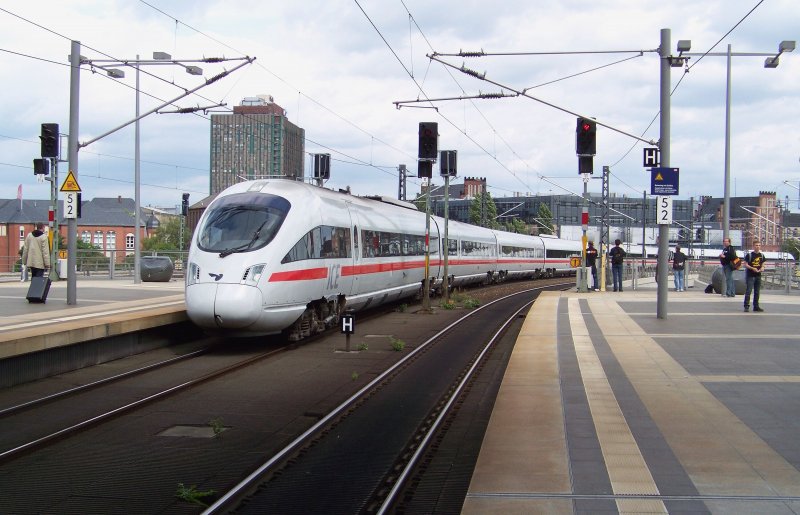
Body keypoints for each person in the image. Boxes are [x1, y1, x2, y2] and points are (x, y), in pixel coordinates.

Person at [743, 239, 765, 312]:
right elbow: (745, 264)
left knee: (757, 291)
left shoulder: (761, 255)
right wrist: (752, 268)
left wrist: (762, 268)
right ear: (753, 246)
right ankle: (746, 306)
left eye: (759, 245)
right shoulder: (749, 255)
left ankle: (756, 306)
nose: (758, 247)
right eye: (756, 245)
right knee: (748, 290)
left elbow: (763, 264)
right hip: (750, 275)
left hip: (758, 275)